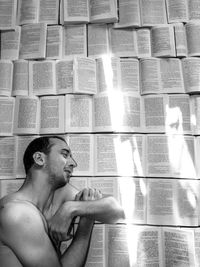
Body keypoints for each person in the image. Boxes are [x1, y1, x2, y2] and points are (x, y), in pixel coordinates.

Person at [0, 135, 125, 267]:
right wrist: (86, 217)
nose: (74, 163)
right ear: (39, 159)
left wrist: (71, 209)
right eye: (65, 155)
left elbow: (117, 211)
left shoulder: (60, 193)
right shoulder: (17, 213)